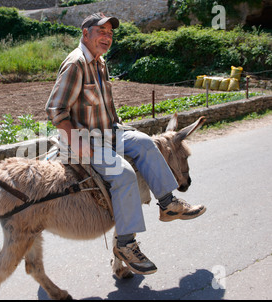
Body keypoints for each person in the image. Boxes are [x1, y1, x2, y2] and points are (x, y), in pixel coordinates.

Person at [45, 13, 206, 275]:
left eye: (110, 33)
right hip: (86, 138)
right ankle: (126, 244)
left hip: (111, 131)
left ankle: (168, 204)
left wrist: (120, 128)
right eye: (101, 31)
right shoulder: (76, 64)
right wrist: (76, 140)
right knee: (124, 174)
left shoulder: (100, 63)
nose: (107, 37)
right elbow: (55, 110)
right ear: (85, 34)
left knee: (145, 142)